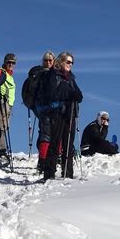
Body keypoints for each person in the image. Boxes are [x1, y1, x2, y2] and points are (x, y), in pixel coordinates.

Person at [36, 52, 83, 181]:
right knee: (55, 143)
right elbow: (51, 94)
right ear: (61, 61)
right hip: (57, 113)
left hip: (70, 114)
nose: (70, 65)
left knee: (69, 144)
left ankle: (68, 174)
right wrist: (66, 91)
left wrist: (70, 92)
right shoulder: (52, 74)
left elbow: (79, 96)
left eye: (72, 63)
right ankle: (49, 174)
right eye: (68, 62)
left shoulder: (71, 77)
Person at [0, 53, 17, 158]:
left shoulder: (10, 76)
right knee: (1, 128)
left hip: (8, 105)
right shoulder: (1, 72)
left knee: (5, 128)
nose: (11, 64)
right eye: (9, 62)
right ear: (5, 62)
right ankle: (0, 151)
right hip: (2, 102)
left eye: (13, 63)